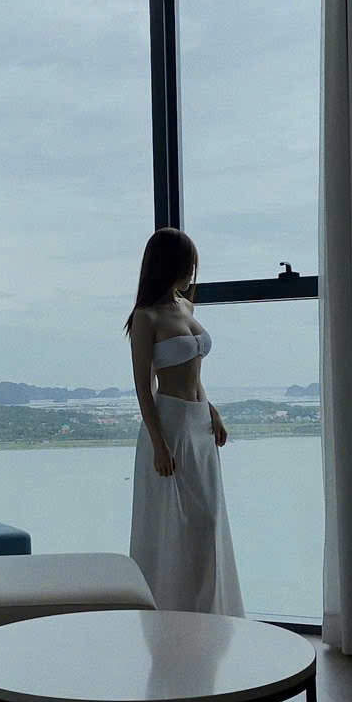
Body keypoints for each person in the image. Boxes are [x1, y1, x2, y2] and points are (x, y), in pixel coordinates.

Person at [127, 227, 244, 616]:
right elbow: (143, 387)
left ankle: (211, 616)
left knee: (207, 521)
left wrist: (212, 410)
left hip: (199, 424)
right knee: (175, 526)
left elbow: (194, 372)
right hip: (171, 425)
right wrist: (158, 444)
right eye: (187, 264)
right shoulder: (145, 317)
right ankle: (174, 619)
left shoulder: (185, 306)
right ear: (168, 265)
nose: (192, 272)